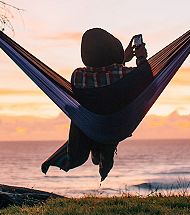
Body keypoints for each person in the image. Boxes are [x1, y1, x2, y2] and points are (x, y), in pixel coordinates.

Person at [41, 28, 150, 181]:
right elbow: (146, 77)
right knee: (109, 118)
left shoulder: (78, 76)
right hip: (116, 126)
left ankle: (88, 148)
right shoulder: (126, 74)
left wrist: (120, 60)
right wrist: (141, 57)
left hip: (88, 125)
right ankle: (105, 150)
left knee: (79, 113)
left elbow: (103, 74)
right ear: (115, 52)